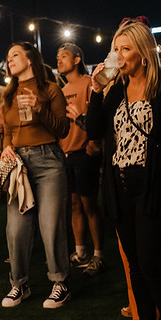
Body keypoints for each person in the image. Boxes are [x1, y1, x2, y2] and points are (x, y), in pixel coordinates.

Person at [87, 21, 161, 320]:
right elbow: (94, 131)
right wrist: (96, 91)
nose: (118, 55)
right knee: (135, 265)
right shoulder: (115, 90)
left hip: (152, 186)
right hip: (119, 185)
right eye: (116, 49)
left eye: (125, 49)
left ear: (143, 54)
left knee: (153, 261)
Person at [0, 42, 71, 309]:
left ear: (31, 60)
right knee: (16, 229)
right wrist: (6, 146)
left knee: (50, 225)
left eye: (14, 55)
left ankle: (59, 283)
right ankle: (19, 284)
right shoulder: (8, 95)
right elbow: (7, 130)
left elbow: (63, 129)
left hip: (49, 160)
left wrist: (39, 108)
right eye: (8, 58)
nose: (9, 60)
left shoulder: (51, 89)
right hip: (19, 165)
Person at [56, 43, 105, 276]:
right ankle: (80, 251)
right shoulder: (62, 90)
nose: (59, 60)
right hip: (66, 155)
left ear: (77, 59)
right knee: (74, 204)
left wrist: (93, 145)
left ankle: (98, 254)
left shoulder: (88, 83)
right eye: (57, 57)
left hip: (85, 154)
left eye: (63, 56)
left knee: (89, 205)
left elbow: (97, 116)